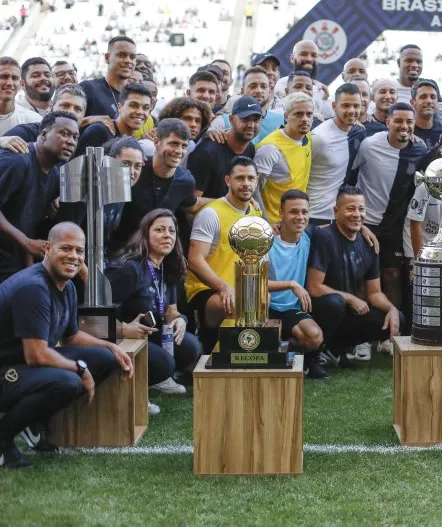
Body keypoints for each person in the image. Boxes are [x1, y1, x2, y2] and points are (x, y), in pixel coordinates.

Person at [0, 223, 134, 467]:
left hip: (23, 364)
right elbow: (36, 355)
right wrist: (80, 369)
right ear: (48, 249)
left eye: (79, 251)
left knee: (104, 359)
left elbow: (71, 336)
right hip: (9, 368)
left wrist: (111, 348)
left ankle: (33, 421)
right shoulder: (33, 288)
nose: (74, 256)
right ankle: (3, 439)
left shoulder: (67, 285)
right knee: (67, 382)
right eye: (66, 248)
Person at [347, 102, 428, 324]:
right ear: (387, 122)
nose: (404, 126)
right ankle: (361, 337)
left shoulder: (420, 151)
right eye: (399, 121)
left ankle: (391, 334)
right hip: (365, 224)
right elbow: (350, 179)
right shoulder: (368, 146)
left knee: (392, 277)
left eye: (409, 122)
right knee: (363, 278)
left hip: (395, 226)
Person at [106, 210, 201, 394]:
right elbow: (96, 320)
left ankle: (154, 379)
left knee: (190, 345)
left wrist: (180, 320)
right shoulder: (129, 269)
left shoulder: (168, 265)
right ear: (145, 234)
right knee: (164, 363)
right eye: (159, 230)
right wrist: (124, 329)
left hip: (149, 333)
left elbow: (171, 311)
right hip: (120, 336)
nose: (167, 235)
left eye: (171, 231)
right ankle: (137, 386)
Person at [306, 186, 402, 363]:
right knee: (335, 303)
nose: (357, 214)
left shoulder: (369, 242)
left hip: (347, 312)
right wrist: (350, 298)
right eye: (350, 208)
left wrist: (392, 308)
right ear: (336, 211)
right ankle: (317, 350)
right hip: (319, 309)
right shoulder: (324, 236)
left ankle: (335, 349)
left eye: (361, 209)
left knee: (396, 318)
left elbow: (374, 293)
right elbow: (314, 287)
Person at [184, 157, 264, 351]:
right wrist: (223, 287)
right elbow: (194, 260)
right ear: (228, 181)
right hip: (205, 290)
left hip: (238, 291)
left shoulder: (255, 212)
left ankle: (236, 359)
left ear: (257, 180)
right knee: (244, 305)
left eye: (250, 178)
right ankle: (218, 358)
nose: (246, 183)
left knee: (258, 303)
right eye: (240, 178)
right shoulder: (211, 213)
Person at [0, 112, 79, 282]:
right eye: (64, 133)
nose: (70, 141)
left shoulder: (55, 174)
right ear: (43, 135)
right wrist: (27, 242)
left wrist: (30, 273)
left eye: (75, 137)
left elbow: (27, 223)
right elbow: (27, 238)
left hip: (12, 263)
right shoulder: (17, 161)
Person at [267, 190, 336, 379]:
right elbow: (255, 282)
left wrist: (364, 228)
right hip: (267, 306)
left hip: (292, 308)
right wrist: (291, 284)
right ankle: (271, 350)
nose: (300, 217)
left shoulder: (309, 236)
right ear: (281, 213)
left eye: (304, 212)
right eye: (293, 212)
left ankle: (302, 359)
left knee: (313, 337)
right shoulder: (266, 242)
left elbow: (338, 225)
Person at [109, 119, 197, 253]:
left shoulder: (186, 181)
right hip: (118, 252)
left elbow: (190, 207)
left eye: (184, 146)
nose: (179, 151)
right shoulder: (136, 170)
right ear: (156, 142)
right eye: (173, 144)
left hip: (154, 257)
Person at [307, 84, 365, 226]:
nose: (352, 111)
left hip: (338, 217)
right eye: (345, 105)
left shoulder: (358, 132)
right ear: (334, 105)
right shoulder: (319, 137)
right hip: (313, 216)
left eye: (356, 106)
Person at [189, 96, 260, 211]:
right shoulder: (208, 151)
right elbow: (191, 204)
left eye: (256, 120)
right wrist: (232, 201)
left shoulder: (251, 148)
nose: (251, 125)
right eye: (245, 119)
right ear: (231, 119)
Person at [254, 93, 314, 224]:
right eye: (298, 114)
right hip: (274, 224)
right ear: (286, 116)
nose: (305, 119)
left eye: (309, 114)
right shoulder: (269, 149)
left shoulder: (307, 136)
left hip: (298, 222)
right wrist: (266, 222)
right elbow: (253, 189)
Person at [75, 83, 153, 155]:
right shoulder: (100, 131)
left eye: (145, 108)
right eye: (133, 105)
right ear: (120, 107)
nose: (140, 112)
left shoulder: (132, 143)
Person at [2, 83, 87, 149]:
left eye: (77, 109)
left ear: (83, 116)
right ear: (51, 108)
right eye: (65, 105)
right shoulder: (28, 132)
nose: (71, 111)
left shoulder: (86, 141)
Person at [213, 67, 284, 144]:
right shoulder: (223, 121)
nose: (259, 91)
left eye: (263, 86)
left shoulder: (280, 120)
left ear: (269, 91)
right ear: (242, 92)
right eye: (253, 86)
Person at [79, 36, 136, 121]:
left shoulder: (134, 96)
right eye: (121, 55)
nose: (128, 60)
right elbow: (69, 122)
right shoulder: (88, 88)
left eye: (132, 57)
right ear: (107, 58)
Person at [0, 58, 41, 132]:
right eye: (4, 77)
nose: (10, 83)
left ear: (20, 84)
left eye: (14, 78)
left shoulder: (33, 120)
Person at [410, 79, 442, 147]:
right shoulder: (406, 131)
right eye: (423, 97)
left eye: (433, 97)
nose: (429, 101)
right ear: (412, 102)